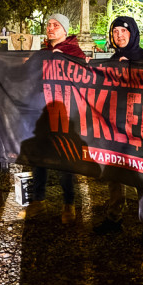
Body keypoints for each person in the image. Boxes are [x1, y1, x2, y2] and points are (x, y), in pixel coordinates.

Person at [94, 16, 143, 246]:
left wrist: (132, 70)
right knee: (114, 175)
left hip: (139, 129)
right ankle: (114, 217)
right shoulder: (111, 60)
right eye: (115, 31)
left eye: (124, 31)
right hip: (114, 128)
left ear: (133, 34)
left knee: (142, 178)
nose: (119, 35)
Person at [25, 13, 84, 223]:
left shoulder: (74, 53)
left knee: (64, 161)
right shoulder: (42, 53)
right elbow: (27, 75)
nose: (51, 28)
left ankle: (69, 204)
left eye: (56, 25)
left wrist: (63, 61)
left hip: (64, 114)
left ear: (65, 30)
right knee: (39, 159)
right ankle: (38, 201)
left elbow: (83, 79)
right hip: (42, 113)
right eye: (49, 25)